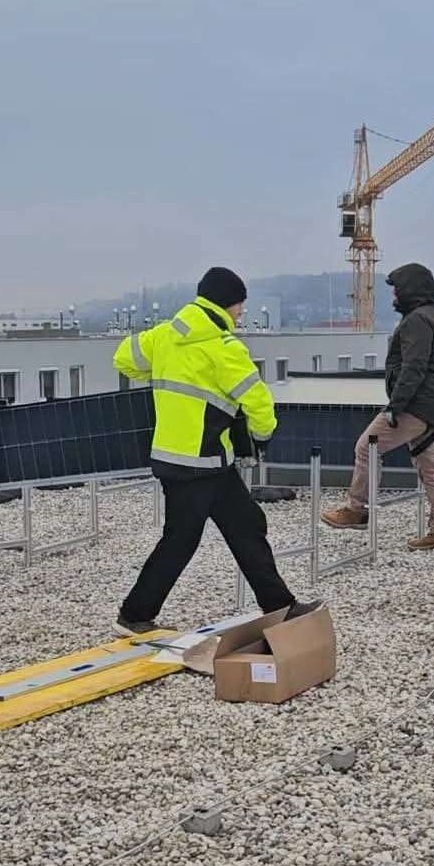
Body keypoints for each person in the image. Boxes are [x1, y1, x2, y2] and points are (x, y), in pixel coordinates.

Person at [114, 266, 306, 632]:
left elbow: (123, 359)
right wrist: (263, 435)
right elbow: (259, 403)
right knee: (181, 540)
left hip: (186, 459)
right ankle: (135, 614)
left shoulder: (165, 336)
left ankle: (280, 606)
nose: (240, 313)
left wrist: (157, 372)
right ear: (226, 304)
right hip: (202, 462)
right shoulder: (224, 348)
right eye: (239, 306)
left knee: (246, 526)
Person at [322, 262, 434, 550]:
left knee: (366, 447)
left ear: (410, 290)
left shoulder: (416, 320)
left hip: (414, 407)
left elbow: (413, 367)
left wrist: (395, 407)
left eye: (396, 289)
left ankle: (356, 509)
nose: (393, 295)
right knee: (431, 467)